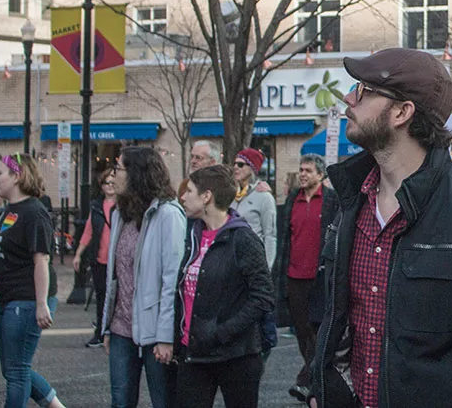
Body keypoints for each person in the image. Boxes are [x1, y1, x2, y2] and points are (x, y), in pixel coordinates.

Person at [309, 47, 452, 408]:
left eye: (365, 90)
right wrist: (322, 384)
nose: (349, 98)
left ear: (402, 112)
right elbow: (336, 317)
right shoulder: (350, 200)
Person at [175, 165, 274, 408]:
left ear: (206, 196)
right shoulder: (194, 235)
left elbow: (263, 297)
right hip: (194, 353)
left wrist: (223, 331)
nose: (183, 197)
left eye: (189, 191)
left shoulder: (242, 238)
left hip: (236, 355)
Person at [101, 146, 187, 408]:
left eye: (118, 169)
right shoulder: (119, 214)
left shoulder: (168, 214)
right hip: (121, 328)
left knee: (164, 401)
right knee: (121, 401)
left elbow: (172, 282)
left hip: (153, 329)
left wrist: (165, 336)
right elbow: (114, 277)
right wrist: (106, 324)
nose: (113, 176)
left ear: (137, 174)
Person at [0, 153, 65, 408]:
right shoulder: (7, 211)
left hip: (26, 300)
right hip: (8, 297)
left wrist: (41, 303)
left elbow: (41, 261)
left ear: (17, 176)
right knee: (13, 369)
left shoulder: (34, 213)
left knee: (17, 372)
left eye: (0, 172)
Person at [276, 153, 339, 404]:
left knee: (318, 332)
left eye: (308, 171)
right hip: (294, 276)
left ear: (321, 175)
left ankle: (306, 380)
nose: (302, 174)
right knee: (302, 332)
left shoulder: (332, 200)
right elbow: (285, 240)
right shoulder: (293, 200)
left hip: (320, 277)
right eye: (301, 170)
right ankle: (314, 379)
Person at [74, 165, 116, 348]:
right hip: (100, 259)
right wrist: (78, 254)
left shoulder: (125, 206)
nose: (110, 186)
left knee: (118, 297)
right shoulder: (97, 207)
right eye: (107, 182)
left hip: (118, 261)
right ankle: (100, 331)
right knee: (101, 296)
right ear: (102, 186)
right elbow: (88, 231)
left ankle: (114, 331)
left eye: (113, 182)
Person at [232, 148, 277, 269]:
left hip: (253, 261)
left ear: (252, 168)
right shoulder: (231, 195)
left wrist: (267, 267)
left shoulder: (264, 197)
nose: (236, 167)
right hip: (232, 260)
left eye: (241, 164)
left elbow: (270, 235)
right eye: (234, 163)